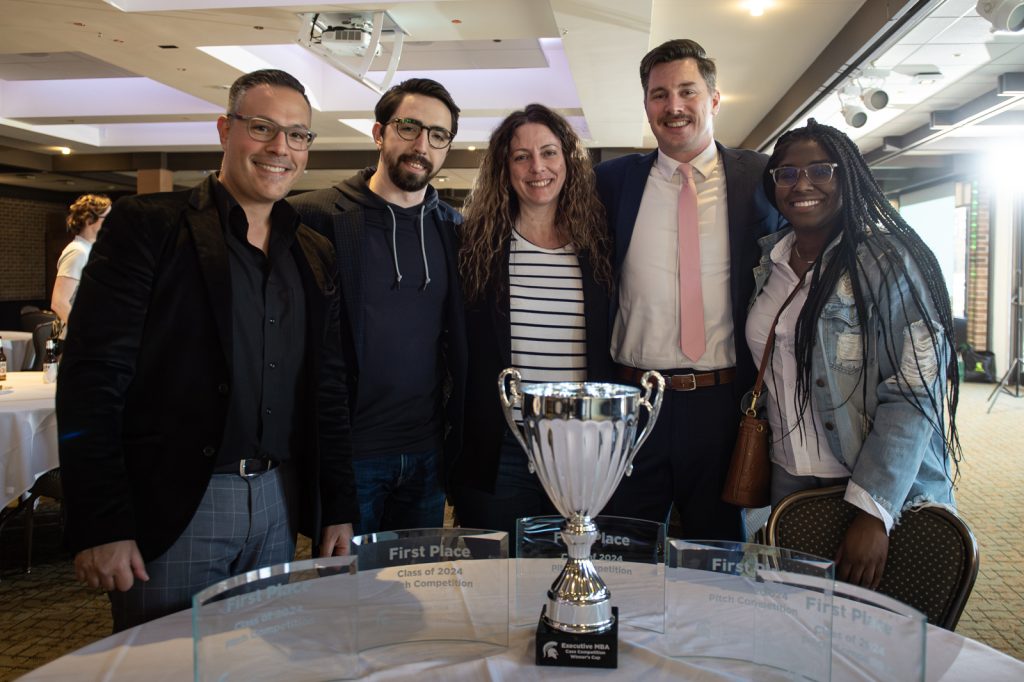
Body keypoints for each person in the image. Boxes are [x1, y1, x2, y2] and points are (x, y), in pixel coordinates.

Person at [56, 69, 357, 632]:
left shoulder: (312, 251)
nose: (280, 149)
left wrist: (336, 504)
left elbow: (327, 387)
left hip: (278, 502)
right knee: (165, 668)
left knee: (259, 663)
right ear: (225, 129)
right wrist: (101, 522)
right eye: (263, 128)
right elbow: (93, 379)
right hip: (179, 504)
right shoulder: (151, 227)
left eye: (297, 136)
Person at [747, 119, 960, 588]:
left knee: (881, 642)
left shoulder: (892, 264)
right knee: (799, 632)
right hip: (791, 485)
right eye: (786, 173)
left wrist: (873, 510)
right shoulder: (771, 264)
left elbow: (914, 390)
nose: (802, 183)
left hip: (876, 493)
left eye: (821, 170)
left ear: (848, 176)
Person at [595, 39, 781, 539]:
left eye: (687, 91)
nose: (673, 107)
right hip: (632, 403)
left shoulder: (762, 179)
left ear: (714, 99)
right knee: (621, 550)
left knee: (716, 559)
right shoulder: (611, 182)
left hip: (722, 405)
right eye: (659, 95)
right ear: (646, 104)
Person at [289, 78, 466, 536]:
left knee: (414, 595)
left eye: (438, 135)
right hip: (352, 454)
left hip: (427, 452)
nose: (421, 145)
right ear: (379, 133)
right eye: (409, 127)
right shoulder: (315, 216)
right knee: (345, 596)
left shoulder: (454, 230)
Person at [451, 104, 614, 541]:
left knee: (575, 571)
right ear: (504, 168)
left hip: (583, 444)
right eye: (521, 156)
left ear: (568, 160)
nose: (537, 167)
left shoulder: (600, 245)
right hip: (503, 445)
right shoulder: (474, 247)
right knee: (501, 581)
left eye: (549, 152)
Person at [51, 194, 111, 325]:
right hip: (75, 340)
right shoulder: (78, 252)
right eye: (107, 218)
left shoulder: (90, 250)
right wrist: (83, 333)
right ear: (89, 220)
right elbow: (59, 302)